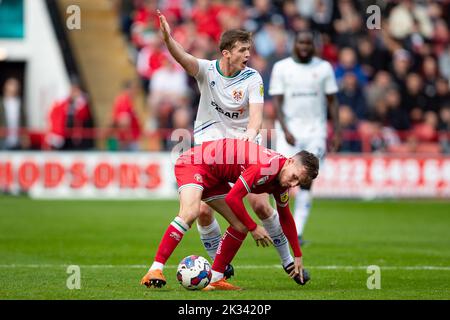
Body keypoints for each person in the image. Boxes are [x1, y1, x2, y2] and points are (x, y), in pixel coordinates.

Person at [156, 10, 301, 283]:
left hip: (243, 147)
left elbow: (256, 116)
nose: (248, 54)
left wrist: (249, 134)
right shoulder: (207, 71)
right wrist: (167, 38)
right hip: (210, 148)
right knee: (201, 210)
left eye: (249, 49)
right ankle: (217, 265)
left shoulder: (252, 78)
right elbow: (182, 57)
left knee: (259, 204)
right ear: (226, 52)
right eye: (242, 49)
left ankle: (288, 261)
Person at [140, 138, 319, 290]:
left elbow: (286, 216)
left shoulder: (282, 181)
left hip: (216, 176)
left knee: (239, 226)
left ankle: (216, 278)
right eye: (295, 177)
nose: (293, 184)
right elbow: (233, 198)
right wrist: (254, 227)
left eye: (298, 183)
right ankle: (156, 268)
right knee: (191, 212)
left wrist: (297, 254)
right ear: (289, 162)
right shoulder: (265, 167)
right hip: (194, 163)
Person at [269, 30, 340, 243]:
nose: (305, 46)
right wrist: (285, 129)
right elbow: (277, 102)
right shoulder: (282, 68)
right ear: (294, 43)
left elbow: (332, 101)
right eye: (301, 42)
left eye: (309, 43)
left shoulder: (324, 68)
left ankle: (297, 231)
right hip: (288, 132)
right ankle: (278, 230)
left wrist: (336, 130)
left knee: (307, 179)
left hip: (315, 132)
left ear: (314, 45)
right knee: (279, 181)